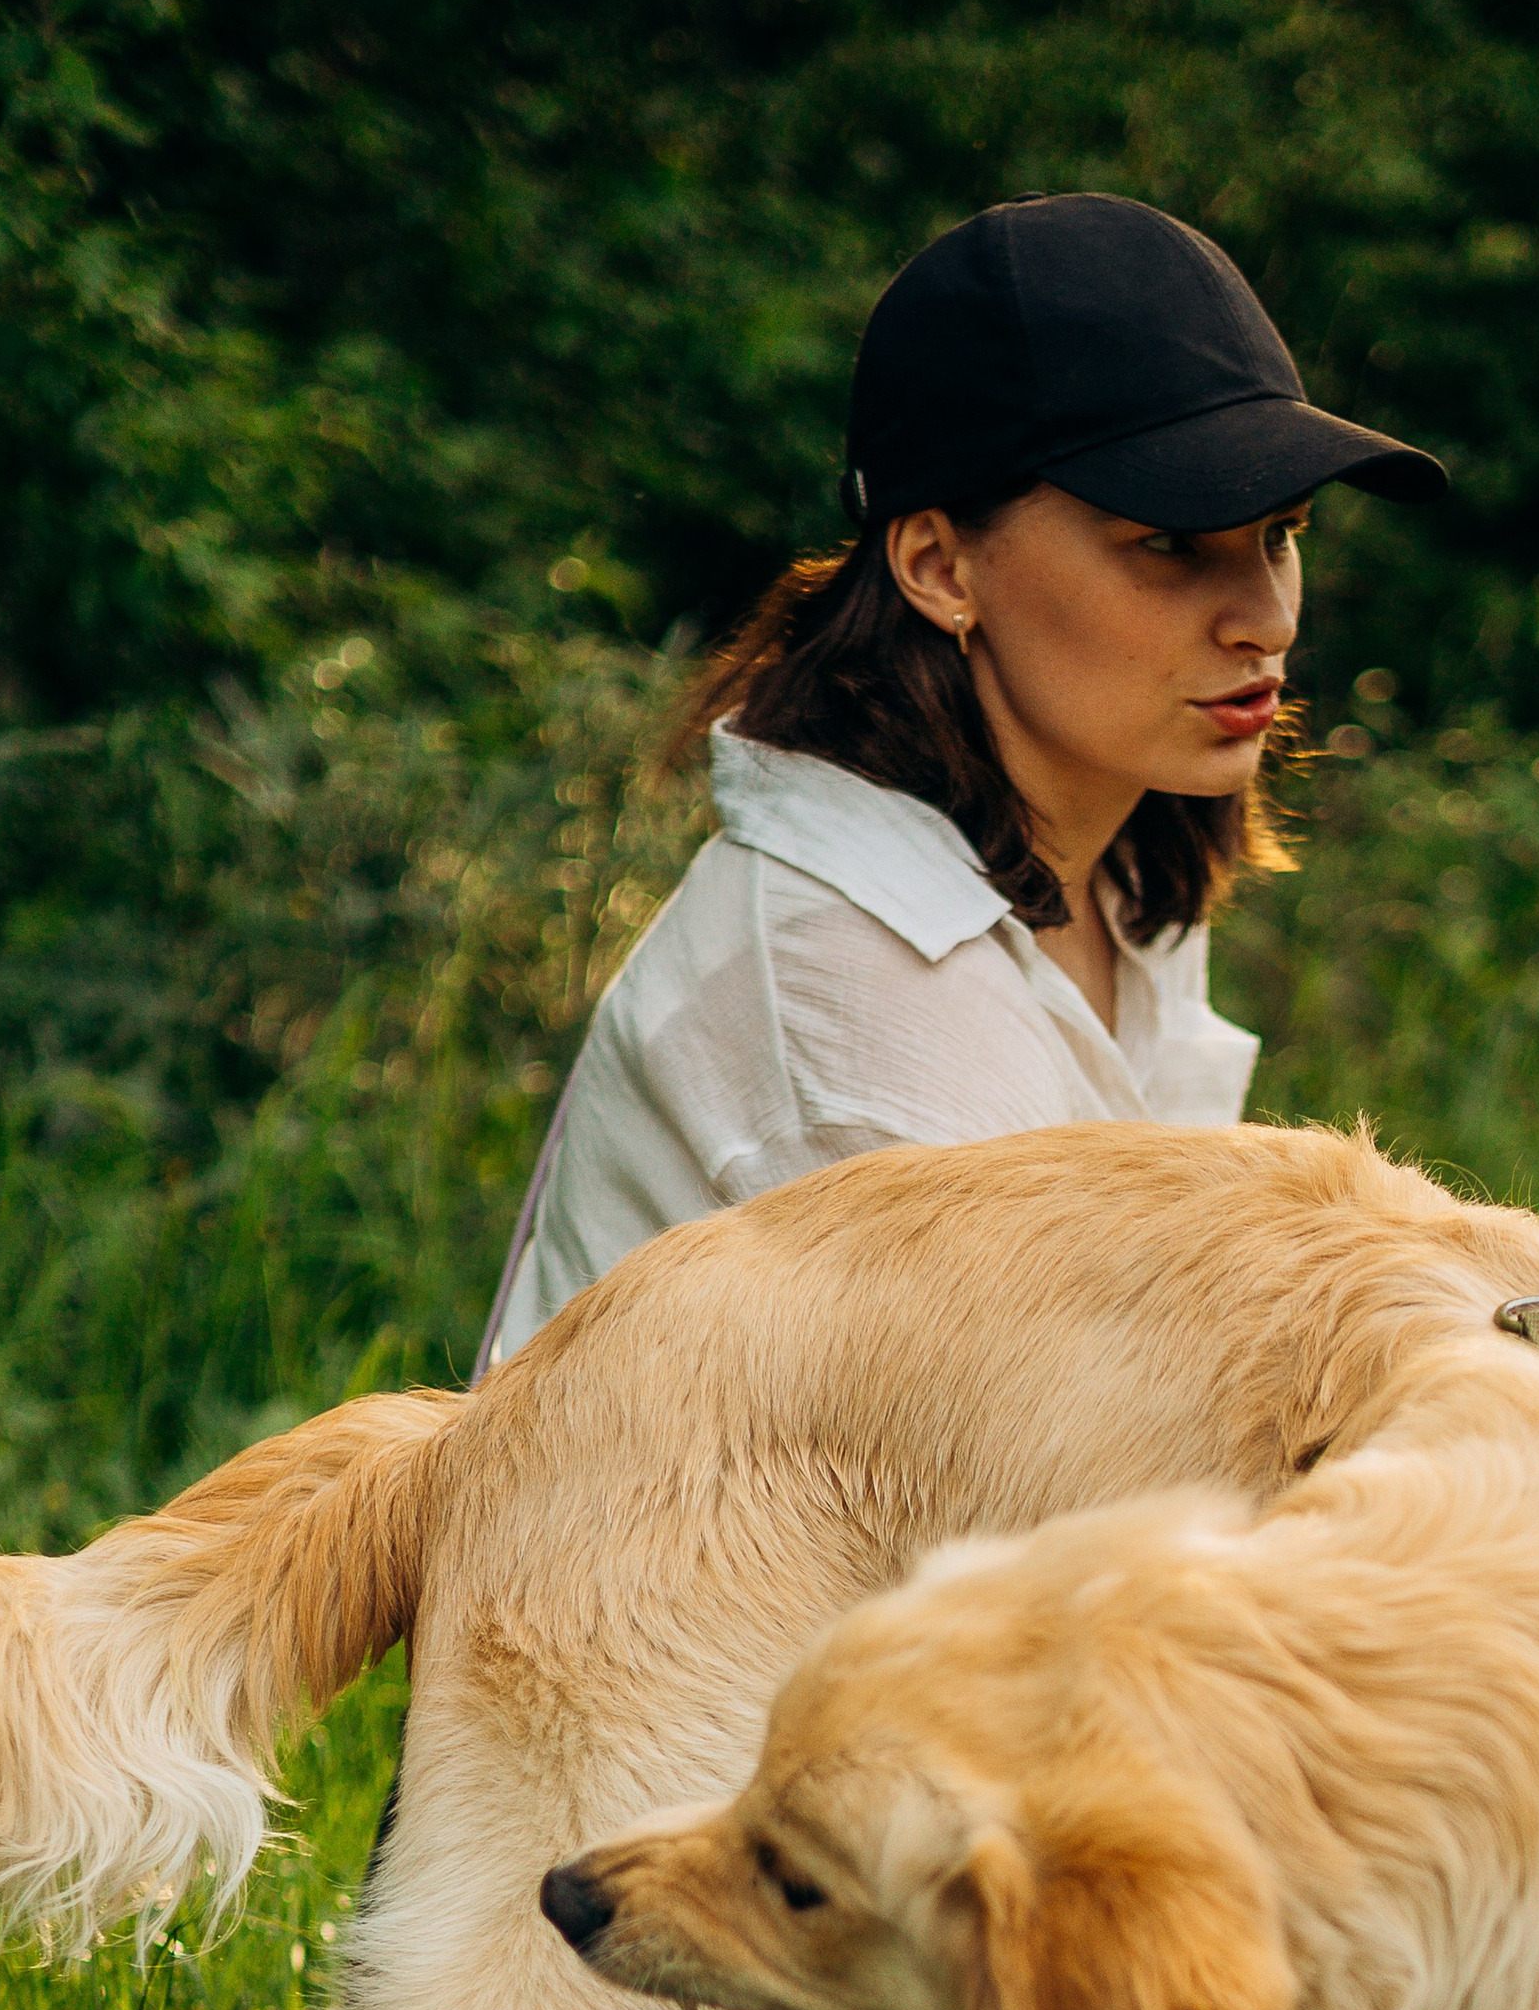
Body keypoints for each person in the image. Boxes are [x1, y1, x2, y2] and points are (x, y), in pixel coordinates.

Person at [477, 190, 1445, 1370]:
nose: (1265, 620)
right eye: (1169, 544)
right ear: (939, 566)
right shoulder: (857, 986)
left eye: (1280, 535)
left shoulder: (1112, 870)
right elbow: (1084, 1448)